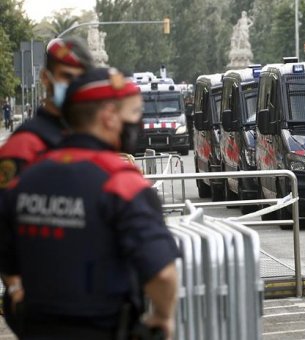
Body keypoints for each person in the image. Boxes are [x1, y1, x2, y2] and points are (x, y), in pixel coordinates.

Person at [0, 68, 179, 339]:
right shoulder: (122, 184)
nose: (138, 122)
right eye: (133, 113)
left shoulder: (27, 179)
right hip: (102, 328)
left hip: (35, 327)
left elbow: (7, 256)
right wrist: (163, 317)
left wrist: (15, 295)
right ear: (108, 117)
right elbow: (162, 275)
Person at [0, 37, 93, 190]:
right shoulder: (23, 146)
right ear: (45, 77)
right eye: (67, 76)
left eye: (81, 79)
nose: (74, 85)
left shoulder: (93, 137)